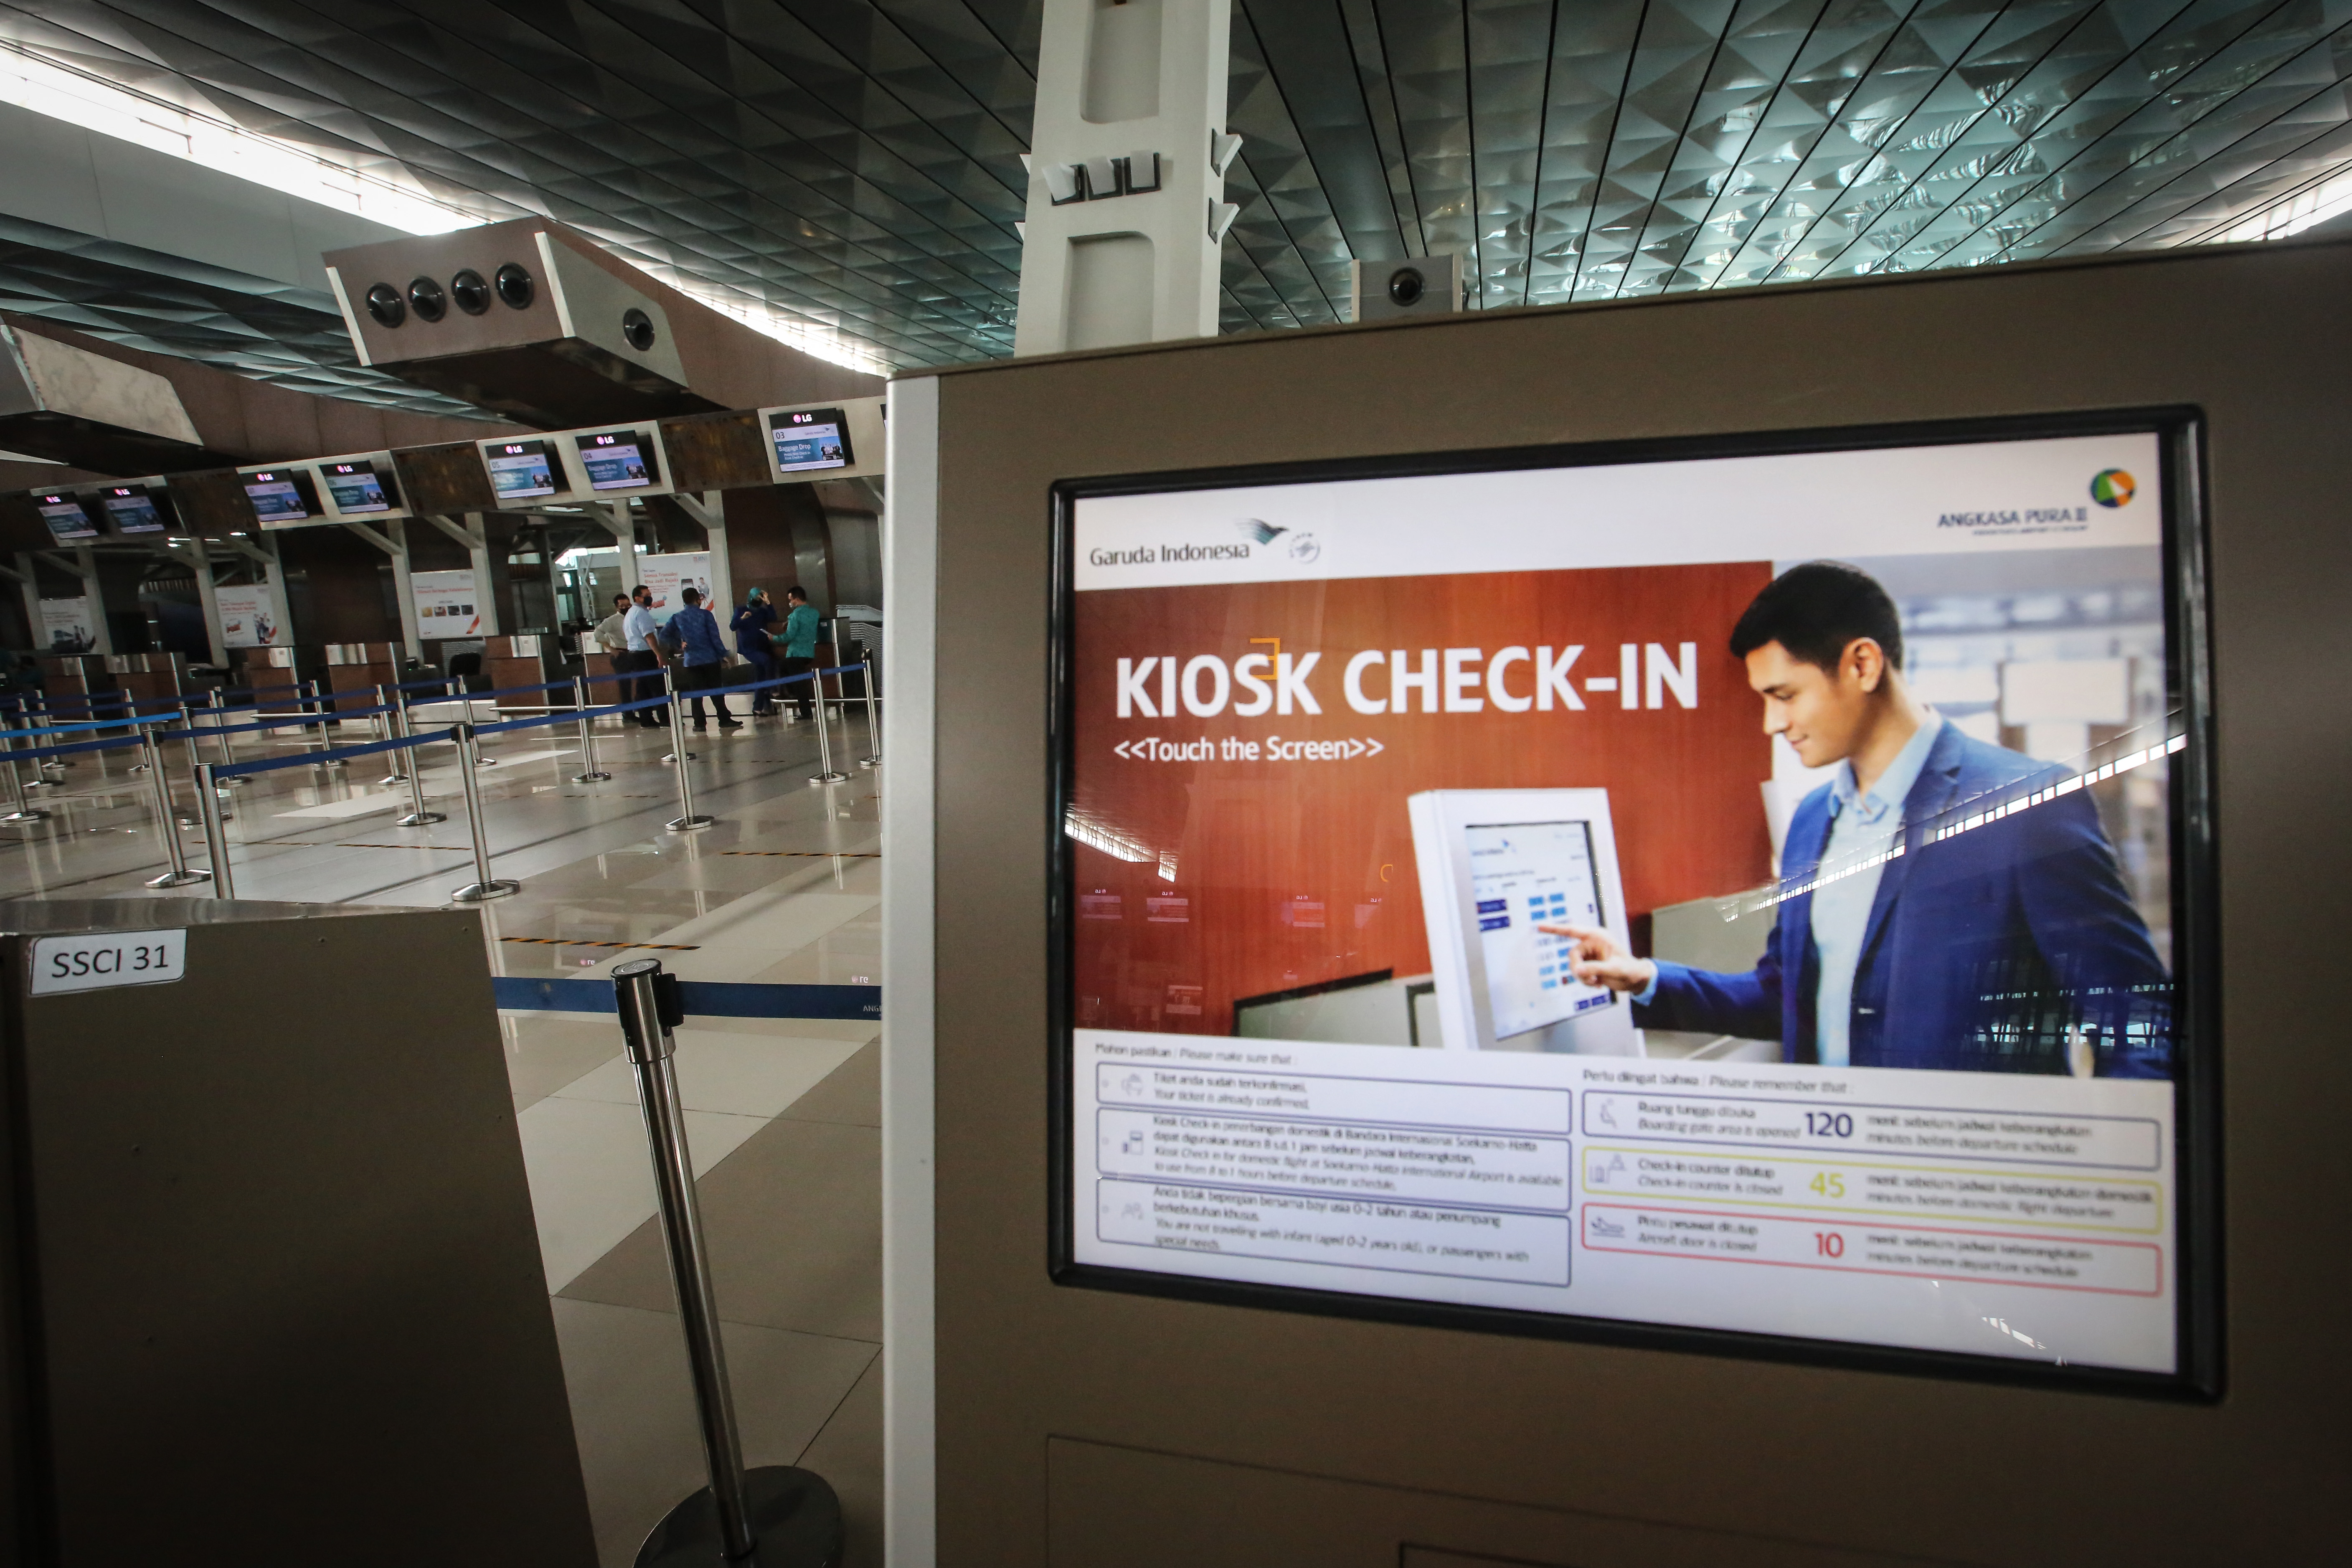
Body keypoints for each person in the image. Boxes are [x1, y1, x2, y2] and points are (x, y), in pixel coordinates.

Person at [1545, 561, 2171, 1077]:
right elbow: (1786, 998)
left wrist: (2106, 1185)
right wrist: (1647, 977)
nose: (1771, 723)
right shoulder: (1814, 821)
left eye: (1783, 695)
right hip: (1841, 1190)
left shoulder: (2026, 807)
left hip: (1979, 1195)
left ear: (1862, 665)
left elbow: (2139, 1024)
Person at [662, 586, 740, 731]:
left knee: (696, 694)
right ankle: (724, 719)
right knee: (716, 691)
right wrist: (724, 655)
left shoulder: (677, 617)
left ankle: (699, 724)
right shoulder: (706, 615)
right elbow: (715, 638)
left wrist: (679, 644)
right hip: (710, 659)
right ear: (697, 599)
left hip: (691, 661)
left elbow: (664, 635)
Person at [618, 584, 668, 728]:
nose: (650, 597)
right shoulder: (641, 614)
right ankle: (665, 718)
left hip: (634, 654)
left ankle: (646, 719)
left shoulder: (631, 613)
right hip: (645, 654)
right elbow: (650, 637)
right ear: (638, 598)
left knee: (643, 689)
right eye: (647, 595)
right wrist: (659, 655)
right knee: (657, 687)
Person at [731, 588, 779, 715]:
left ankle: (757, 707)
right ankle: (772, 687)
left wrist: (768, 603)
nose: (758, 602)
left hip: (762, 646)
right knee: (767, 661)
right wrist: (742, 618)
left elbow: (773, 617)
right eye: (757, 599)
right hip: (749, 648)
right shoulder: (741, 610)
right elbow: (733, 627)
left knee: (760, 677)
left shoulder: (762, 612)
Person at [777, 585, 820, 722]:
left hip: (795, 654)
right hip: (808, 653)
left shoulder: (795, 616)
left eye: (791, 599)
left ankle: (798, 703)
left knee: (795, 681)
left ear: (796, 599)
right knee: (799, 682)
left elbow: (789, 637)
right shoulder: (814, 613)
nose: (790, 602)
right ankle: (794, 697)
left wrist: (774, 638)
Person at [592, 593, 630, 659]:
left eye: (628, 605)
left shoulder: (634, 617)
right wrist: (611, 649)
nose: (625, 608)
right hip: (622, 652)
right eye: (622, 606)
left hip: (636, 650)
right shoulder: (611, 621)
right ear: (616, 607)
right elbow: (597, 634)